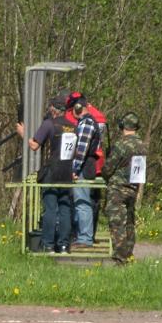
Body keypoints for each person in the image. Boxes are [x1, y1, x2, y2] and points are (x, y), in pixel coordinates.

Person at [29, 94, 75, 253]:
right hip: (67, 172)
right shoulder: (73, 126)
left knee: (50, 209)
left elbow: (34, 145)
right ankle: (63, 245)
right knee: (65, 209)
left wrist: (24, 134)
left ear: (53, 110)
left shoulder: (49, 124)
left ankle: (48, 244)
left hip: (51, 171)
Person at [103, 112, 147, 264]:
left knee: (117, 224)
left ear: (123, 125)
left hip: (118, 189)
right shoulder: (142, 146)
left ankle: (120, 259)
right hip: (133, 188)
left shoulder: (121, 144)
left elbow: (108, 168)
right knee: (129, 223)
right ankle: (128, 254)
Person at [66, 93, 102, 249]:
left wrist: (74, 169)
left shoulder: (86, 123)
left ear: (77, 107)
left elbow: (81, 150)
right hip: (85, 166)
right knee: (81, 201)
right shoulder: (87, 122)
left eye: (71, 109)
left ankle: (85, 238)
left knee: (82, 202)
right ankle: (83, 236)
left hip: (84, 167)